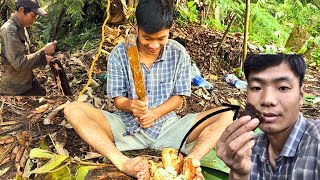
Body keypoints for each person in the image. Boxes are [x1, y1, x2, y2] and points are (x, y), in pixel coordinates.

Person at [64, 0, 233, 179]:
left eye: (161, 38)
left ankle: (190, 163)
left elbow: (179, 98)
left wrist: (155, 113)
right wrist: (131, 105)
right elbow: (118, 100)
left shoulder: (178, 53)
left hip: (169, 127)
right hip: (126, 127)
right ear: (137, 28)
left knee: (228, 113)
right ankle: (122, 161)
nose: (154, 45)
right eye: (147, 38)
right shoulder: (120, 54)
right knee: (72, 108)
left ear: (170, 29)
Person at [216, 54, 320, 179]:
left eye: (283, 88)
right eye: (256, 88)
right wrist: (238, 173)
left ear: (301, 95)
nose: (267, 100)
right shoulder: (248, 149)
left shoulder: (316, 144)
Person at [0, 0, 57, 96]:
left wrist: (46, 53)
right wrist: (43, 52)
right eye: (33, 15)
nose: (34, 20)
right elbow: (19, 63)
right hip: (14, 88)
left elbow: (29, 48)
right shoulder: (9, 30)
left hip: (26, 80)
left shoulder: (21, 27)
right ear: (22, 10)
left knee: (42, 92)